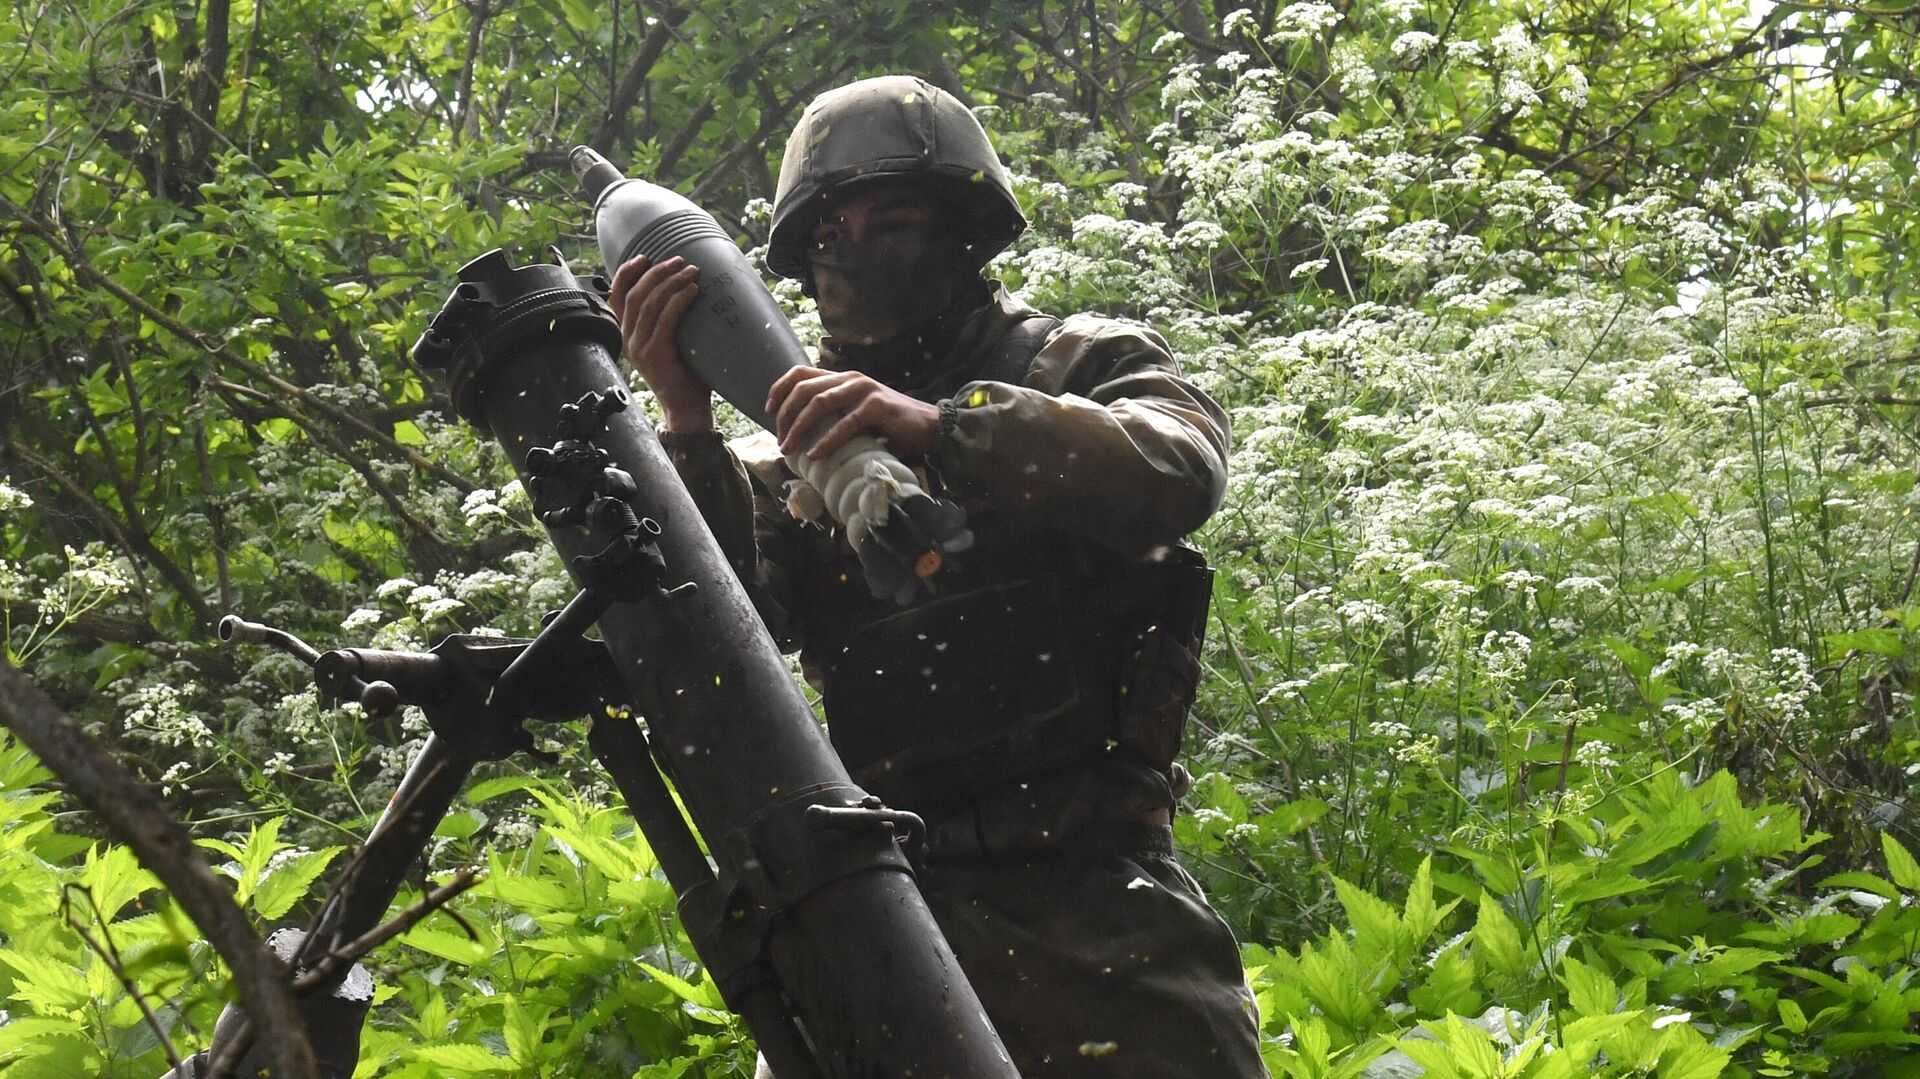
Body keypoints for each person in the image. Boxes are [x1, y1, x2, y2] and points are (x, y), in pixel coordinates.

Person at [609, 74, 1268, 1079]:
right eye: (832, 231)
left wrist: (942, 429)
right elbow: (715, 650)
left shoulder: (1075, 365)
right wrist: (686, 424)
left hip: (1099, 908)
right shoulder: (792, 465)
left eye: (895, 220)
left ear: (963, 228)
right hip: (889, 921)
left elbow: (1179, 469)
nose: (858, 248)